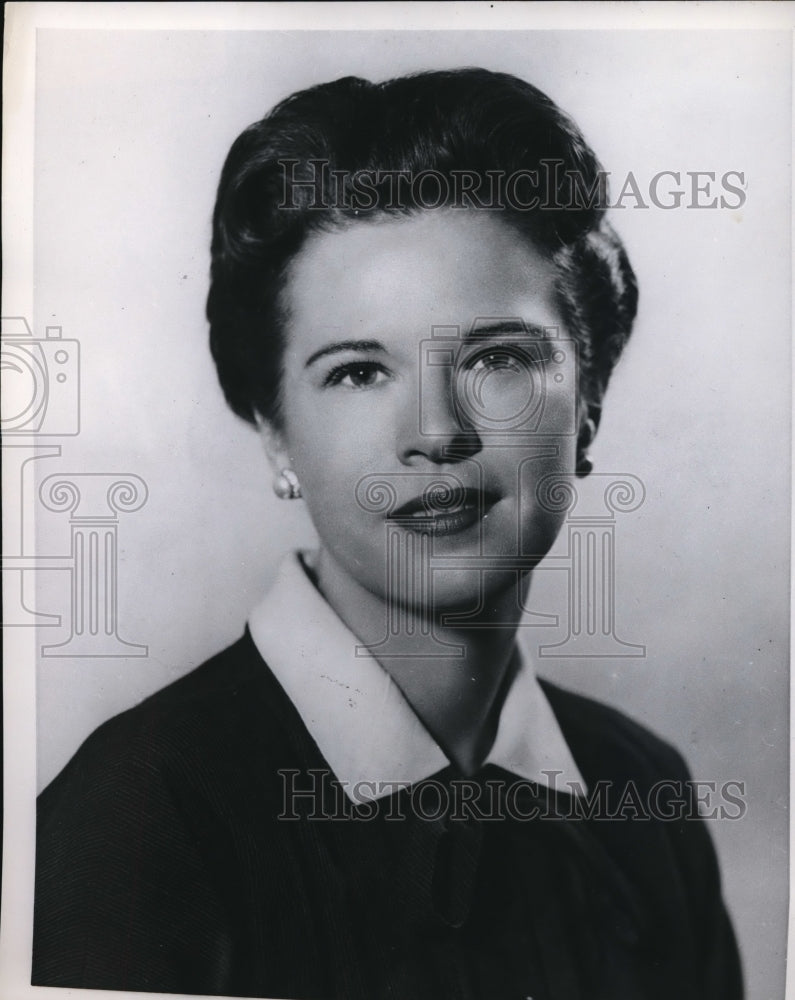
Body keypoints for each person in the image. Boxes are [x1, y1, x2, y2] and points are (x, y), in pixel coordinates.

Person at [32, 68, 743, 1000]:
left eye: (496, 358)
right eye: (359, 373)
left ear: (590, 400)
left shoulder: (638, 796)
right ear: (275, 430)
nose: (436, 433)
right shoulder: (142, 819)